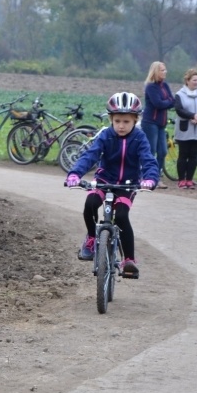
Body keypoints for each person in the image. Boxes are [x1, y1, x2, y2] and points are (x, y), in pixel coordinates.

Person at [66, 92, 159, 279]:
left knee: (122, 216)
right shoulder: (106, 136)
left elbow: (148, 160)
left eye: (126, 121)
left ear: (135, 120)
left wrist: (150, 179)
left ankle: (128, 260)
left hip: (128, 184)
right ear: (111, 119)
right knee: (90, 204)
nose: (121, 126)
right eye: (117, 121)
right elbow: (90, 155)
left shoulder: (139, 138)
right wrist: (75, 174)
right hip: (104, 179)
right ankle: (92, 238)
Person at [173, 69, 197, 188]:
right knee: (183, 155)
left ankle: (189, 179)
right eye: (194, 80)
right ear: (187, 81)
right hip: (184, 129)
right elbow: (179, 109)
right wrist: (192, 116)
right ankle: (181, 180)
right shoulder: (180, 94)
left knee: (194, 156)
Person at [142, 61, 174, 189]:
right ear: (156, 71)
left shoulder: (165, 85)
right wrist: (168, 102)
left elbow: (173, 101)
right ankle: (147, 176)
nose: (165, 72)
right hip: (150, 122)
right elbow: (158, 104)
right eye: (162, 70)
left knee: (163, 151)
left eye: (165, 69)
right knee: (151, 151)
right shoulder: (150, 87)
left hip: (161, 123)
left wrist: (167, 101)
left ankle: (157, 176)